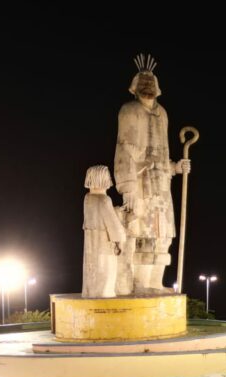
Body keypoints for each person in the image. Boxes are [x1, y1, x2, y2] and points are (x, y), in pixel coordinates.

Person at [113, 54, 190, 295]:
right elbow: (124, 148)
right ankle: (140, 284)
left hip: (161, 185)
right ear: (135, 88)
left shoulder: (162, 114)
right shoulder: (129, 110)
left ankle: (155, 282)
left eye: (151, 83)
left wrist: (176, 167)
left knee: (163, 234)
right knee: (141, 233)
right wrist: (127, 187)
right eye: (142, 83)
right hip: (139, 182)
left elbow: (161, 154)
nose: (147, 87)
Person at [81, 165, 126, 298]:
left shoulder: (88, 198)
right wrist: (121, 240)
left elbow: (99, 215)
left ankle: (91, 293)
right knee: (106, 271)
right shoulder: (105, 200)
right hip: (104, 243)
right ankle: (104, 295)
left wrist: (115, 210)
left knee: (92, 270)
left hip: (92, 243)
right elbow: (113, 225)